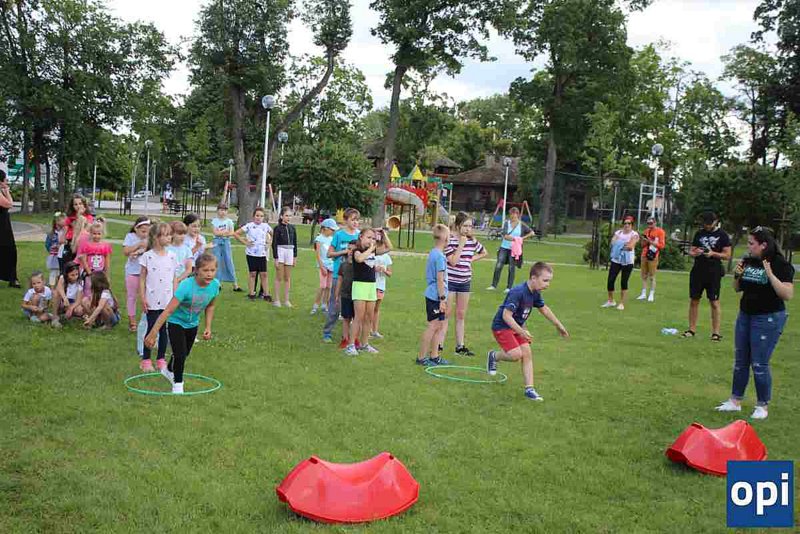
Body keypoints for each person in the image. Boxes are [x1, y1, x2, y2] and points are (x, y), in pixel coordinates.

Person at [715, 227, 794, 420]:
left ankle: (762, 405)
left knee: (759, 363)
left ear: (763, 245)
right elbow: (737, 288)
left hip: (768, 317)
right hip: (746, 314)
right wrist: (737, 274)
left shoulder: (780, 263)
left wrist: (770, 275)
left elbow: (787, 294)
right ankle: (735, 401)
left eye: (752, 243)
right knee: (741, 361)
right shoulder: (749, 261)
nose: (748, 247)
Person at [487, 262, 569, 401]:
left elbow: (544, 309)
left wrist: (558, 325)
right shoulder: (518, 292)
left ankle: (529, 389)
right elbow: (506, 316)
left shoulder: (535, 292)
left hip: (518, 326)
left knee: (527, 353)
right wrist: (522, 331)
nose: (548, 284)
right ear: (533, 278)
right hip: (502, 326)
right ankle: (494, 356)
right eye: (545, 280)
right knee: (516, 355)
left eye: (549, 281)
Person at [145, 252, 220, 394]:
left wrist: (208, 327)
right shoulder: (186, 286)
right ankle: (178, 385)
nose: (209, 274)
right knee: (180, 354)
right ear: (196, 270)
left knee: (184, 353)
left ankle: (168, 370)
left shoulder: (215, 285)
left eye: (212, 270)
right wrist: (153, 333)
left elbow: (211, 306)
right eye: (205, 270)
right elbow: (168, 310)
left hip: (192, 323)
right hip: (176, 322)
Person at [440, 212, 487, 356]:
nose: (468, 229)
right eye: (465, 226)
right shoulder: (449, 240)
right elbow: (453, 261)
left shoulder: (472, 241)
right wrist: (461, 244)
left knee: (461, 314)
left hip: (465, 281)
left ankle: (460, 347)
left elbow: (484, 252)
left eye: (470, 226)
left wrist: (469, 260)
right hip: (451, 281)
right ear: (458, 225)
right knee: (447, 314)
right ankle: (439, 345)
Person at [682, 211, 731, 341]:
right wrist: (695, 252)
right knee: (694, 300)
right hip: (698, 271)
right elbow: (691, 251)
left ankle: (716, 333)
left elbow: (727, 255)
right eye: (705, 223)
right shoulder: (699, 233)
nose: (707, 226)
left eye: (709, 223)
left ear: (715, 222)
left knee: (714, 302)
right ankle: (691, 330)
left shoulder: (723, 235)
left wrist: (713, 254)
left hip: (714, 272)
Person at [139, 222, 178, 372]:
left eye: (170, 235)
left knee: (163, 329)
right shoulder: (147, 257)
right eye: (166, 235)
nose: (169, 238)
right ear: (156, 237)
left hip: (167, 300)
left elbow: (174, 278)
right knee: (151, 328)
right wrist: (143, 297)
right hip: (152, 299)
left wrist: (175, 296)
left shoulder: (172, 256)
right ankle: (146, 359)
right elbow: (142, 278)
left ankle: (161, 359)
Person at [323, 208, 361, 344]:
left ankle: (350, 336)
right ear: (345, 220)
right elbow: (329, 254)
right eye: (353, 219)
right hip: (339, 275)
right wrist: (344, 252)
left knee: (354, 308)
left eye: (357, 220)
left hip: (356, 277)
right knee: (335, 305)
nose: (355, 222)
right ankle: (327, 332)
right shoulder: (339, 235)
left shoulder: (360, 235)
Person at [416, 224, 451, 366]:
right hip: (435, 296)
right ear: (444, 238)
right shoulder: (439, 257)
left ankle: (434, 356)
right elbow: (440, 279)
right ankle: (421, 357)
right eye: (449, 235)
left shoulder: (435, 253)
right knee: (433, 326)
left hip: (438, 295)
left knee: (439, 326)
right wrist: (442, 299)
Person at [347, 228, 380, 355]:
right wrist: (371, 249)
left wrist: (383, 234)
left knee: (369, 317)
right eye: (368, 237)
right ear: (361, 237)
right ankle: (351, 345)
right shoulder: (357, 250)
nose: (371, 240)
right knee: (358, 317)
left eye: (373, 238)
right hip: (360, 285)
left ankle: (364, 344)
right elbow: (360, 259)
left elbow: (389, 247)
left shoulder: (373, 250)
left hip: (371, 285)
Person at [487, 207, 535, 292]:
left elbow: (532, 233)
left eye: (515, 215)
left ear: (517, 215)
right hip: (504, 248)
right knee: (498, 266)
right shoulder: (507, 223)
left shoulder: (521, 224)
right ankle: (493, 285)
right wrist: (515, 239)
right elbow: (505, 236)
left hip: (514, 250)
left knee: (511, 268)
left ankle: (509, 287)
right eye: (512, 215)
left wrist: (522, 238)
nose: (513, 216)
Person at [235, 206, 272, 301]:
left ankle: (266, 294)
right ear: (253, 216)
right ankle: (251, 294)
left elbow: (273, 234)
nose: (259, 218)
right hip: (251, 254)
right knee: (252, 273)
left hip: (262, 254)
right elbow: (236, 234)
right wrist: (245, 242)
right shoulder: (249, 226)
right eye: (257, 215)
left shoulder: (266, 226)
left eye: (261, 216)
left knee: (264, 274)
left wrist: (269, 243)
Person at [602, 216, 639, 311]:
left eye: (629, 223)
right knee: (610, 280)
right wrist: (623, 244)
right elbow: (612, 242)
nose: (626, 225)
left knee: (624, 281)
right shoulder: (618, 232)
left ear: (632, 225)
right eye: (625, 223)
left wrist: (619, 243)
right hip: (616, 260)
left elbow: (630, 247)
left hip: (627, 261)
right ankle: (611, 300)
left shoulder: (634, 234)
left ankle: (622, 303)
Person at [123, 217, 151, 332]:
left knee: (147, 296)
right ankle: (132, 321)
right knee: (132, 296)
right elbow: (125, 251)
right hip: (132, 272)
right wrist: (139, 245)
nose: (145, 234)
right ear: (136, 229)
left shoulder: (150, 239)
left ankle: (147, 319)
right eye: (143, 231)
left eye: (147, 231)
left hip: (147, 272)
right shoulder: (130, 237)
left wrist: (141, 251)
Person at [210, 203, 242, 292]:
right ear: (217, 211)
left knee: (229, 261)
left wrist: (223, 233)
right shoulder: (214, 221)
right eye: (221, 210)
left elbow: (232, 232)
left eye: (224, 210)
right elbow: (215, 232)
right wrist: (224, 233)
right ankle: (218, 283)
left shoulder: (229, 221)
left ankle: (235, 284)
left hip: (226, 242)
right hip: (216, 242)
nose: (223, 212)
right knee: (217, 262)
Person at [76, 221, 112, 296]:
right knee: (89, 291)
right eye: (94, 234)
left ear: (102, 234)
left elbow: (107, 262)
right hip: (90, 273)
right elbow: (84, 260)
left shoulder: (105, 246)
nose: (96, 236)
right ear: (90, 233)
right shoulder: (86, 245)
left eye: (99, 234)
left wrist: (106, 275)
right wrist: (90, 273)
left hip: (101, 273)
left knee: (101, 291)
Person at [272, 206, 298, 307]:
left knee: (287, 277)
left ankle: (286, 300)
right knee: (279, 276)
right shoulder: (277, 228)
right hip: (280, 251)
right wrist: (276, 258)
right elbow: (274, 244)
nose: (288, 218)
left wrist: (295, 257)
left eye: (290, 216)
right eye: (286, 215)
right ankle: (277, 300)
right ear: (281, 216)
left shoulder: (292, 228)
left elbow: (295, 243)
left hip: (290, 251)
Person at [311, 218, 338, 314]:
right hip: (323, 265)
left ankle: (324, 305)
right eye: (332, 229)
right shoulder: (319, 239)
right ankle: (315, 305)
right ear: (325, 228)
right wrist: (322, 266)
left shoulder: (332, 239)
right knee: (322, 286)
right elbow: (318, 254)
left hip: (331, 265)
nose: (333, 232)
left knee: (329, 286)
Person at [637, 216, 666, 302]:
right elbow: (642, 245)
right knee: (644, 275)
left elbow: (662, 245)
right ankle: (643, 293)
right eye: (648, 223)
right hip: (644, 254)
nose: (649, 225)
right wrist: (643, 240)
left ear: (655, 223)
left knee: (652, 276)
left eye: (651, 223)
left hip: (653, 255)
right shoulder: (646, 231)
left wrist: (650, 241)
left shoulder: (660, 232)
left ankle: (651, 294)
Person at [371, 230, 393, 339]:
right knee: (369, 309)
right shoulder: (371, 252)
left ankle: (375, 331)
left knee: (376, 309)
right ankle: (367, 330)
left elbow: (390, 273)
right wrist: (374, 268)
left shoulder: (386, 256)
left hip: (380, 285)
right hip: (371, 284)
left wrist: (384, 270)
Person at [0, 170, 20, 288]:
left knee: (8, 251)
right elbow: (9, 204)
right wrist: (7, 191)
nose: (6, 182)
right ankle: (12, 278)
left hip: (4, 226)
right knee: (10, 251)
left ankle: (12, 277)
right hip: (2, 228)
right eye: (5, 180)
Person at [62, 194, 94, 269]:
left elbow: (85, 229)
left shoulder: (89, 217)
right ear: (72, 206)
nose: (78, 206)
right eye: (75, 204)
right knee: (68, 266)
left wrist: (79, 215)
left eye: (80, 203)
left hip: (82, 244)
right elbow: (65, 232)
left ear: (84, 205)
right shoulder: (70, 218)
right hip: (70, 244)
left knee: (80, 266)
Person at [337, 243, 357, 353]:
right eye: (349, 249)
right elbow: (340, 279)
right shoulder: (343, 265)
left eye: (353, 250)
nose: (350, 252)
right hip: (345, 295)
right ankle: (345, 339)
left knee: (356, 318)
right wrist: (337, 293)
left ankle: (355, 339)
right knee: (346, 318)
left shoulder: (359, 265)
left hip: (357, 295)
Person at [168, 221, 194, 285]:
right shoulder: (166, 248)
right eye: (179, 234)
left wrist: (178, 280)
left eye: (184, 234)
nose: (183, 236)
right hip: (166, 281)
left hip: (181, 282)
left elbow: (189, 269)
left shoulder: (187, 250)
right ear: (171, 234)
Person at [45, 212, 67, 286]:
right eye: (59, 220)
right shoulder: (52, 233)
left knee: (61, 272)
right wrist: (51, 248)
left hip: (63, 255)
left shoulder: (66, 232)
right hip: (54, 255)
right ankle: (52, 287)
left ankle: (60, 286)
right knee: (53, 272)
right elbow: (47, 244)